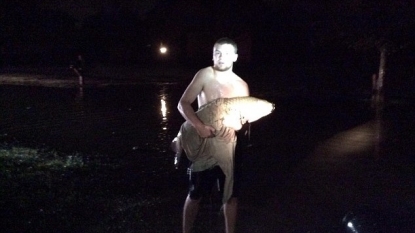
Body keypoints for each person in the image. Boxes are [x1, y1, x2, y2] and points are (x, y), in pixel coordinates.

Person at [177, 37, 249, 233]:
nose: (221, 57)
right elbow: (183, 103)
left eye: (226, 53)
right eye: (217, 52)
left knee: (230, 195)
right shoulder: (204, 75)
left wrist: (236, 124)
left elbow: (242, 118)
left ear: (235, 57)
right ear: (212, 55)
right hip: (204, 143)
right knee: (195, 193)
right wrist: (199, 126)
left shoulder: (241, 85)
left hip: (230, 145)